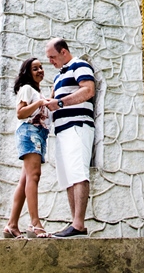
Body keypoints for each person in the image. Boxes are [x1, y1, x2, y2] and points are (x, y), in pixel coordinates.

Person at [42, 38, 95, 238]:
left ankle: (79, 224)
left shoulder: (79, 65)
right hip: (62, 131)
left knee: (79, 173)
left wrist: (60, 103)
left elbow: (88, 90)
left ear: (64, 52)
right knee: (67, 178)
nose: (51, 61)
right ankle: (75, 225)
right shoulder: (58, 77)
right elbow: (52, 101)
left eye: (53, 57)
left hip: (78, 127)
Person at [3, 57, 50, 239]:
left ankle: (12, 225)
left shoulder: (37, 92)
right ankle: (35, 223)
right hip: (30, 132)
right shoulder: (27, 89)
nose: (40, 70)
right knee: (34, 176)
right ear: (27, 73)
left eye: (41, 67)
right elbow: (20, 113)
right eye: (35, 68)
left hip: (37, 134)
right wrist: (39, 103)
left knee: (25, 180)